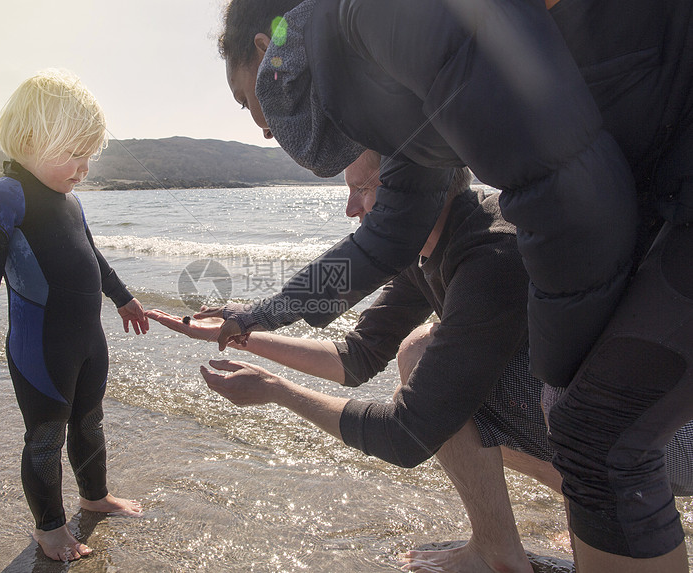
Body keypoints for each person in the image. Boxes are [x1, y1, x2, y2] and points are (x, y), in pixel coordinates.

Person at [213, 1, 693, 571]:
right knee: (571, 425)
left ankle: (547, 529)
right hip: (653, 181)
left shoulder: (381, 26)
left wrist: (565, 379)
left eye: (248, 104)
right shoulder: (403, 122)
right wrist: (254, 319)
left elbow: (562, 185)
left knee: (593, 434)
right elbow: (373, 283)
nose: (265, 131)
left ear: (269, 56)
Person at [156, 150, 693, 571]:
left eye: (362, 188)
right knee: (436, 367)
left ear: (414, 184)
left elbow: (407, 435)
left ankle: (498, 553)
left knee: (422, 355)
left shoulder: (491, 251)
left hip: (658, 438)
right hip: (603, 431)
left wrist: (277, 390)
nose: (350, 209)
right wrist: (241, 336)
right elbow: (356, 356)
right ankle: (578, 506)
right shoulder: (426, 250)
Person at [0, 69, 149, 562]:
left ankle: (94, 496)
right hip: (40, 347)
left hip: (87, 342)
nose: (84, 168)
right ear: (32, 139)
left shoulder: (71, 202)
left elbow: (93, 259)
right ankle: (49, 529)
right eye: (74, 154)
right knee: (45, 437)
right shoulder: (3, 197)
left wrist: (123, 298)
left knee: (90, 422)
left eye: (89, 157)